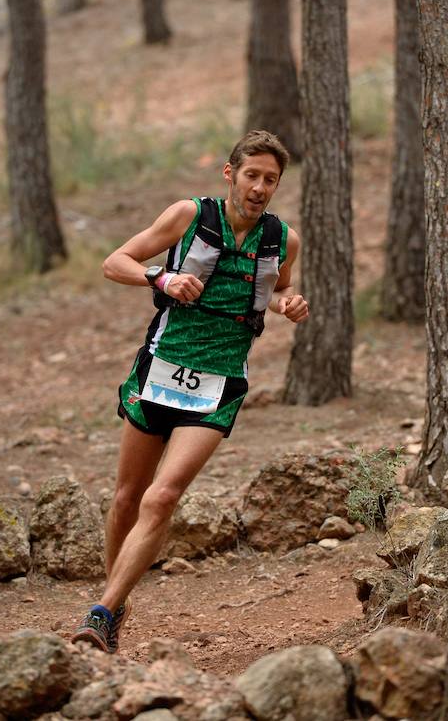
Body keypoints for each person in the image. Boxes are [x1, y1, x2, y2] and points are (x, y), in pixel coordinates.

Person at [72, 130, 309, 652]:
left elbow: (279, 286)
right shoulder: (189, 216)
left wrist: (288, 304)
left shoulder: (280, 239)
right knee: (127, 498)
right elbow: (116, 262)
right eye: (252, 175)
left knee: (162, 496)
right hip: (160, 369)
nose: (260, 187)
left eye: (271, 179)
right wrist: (162, 279)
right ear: (230, 174)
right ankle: (116, 603)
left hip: (219, 383)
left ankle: (101, 611)